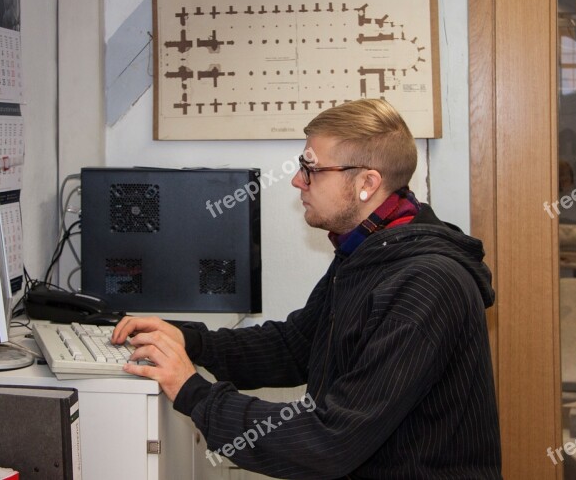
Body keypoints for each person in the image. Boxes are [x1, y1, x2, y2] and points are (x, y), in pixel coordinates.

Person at [111, 98, 502, 479]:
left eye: (310, 168)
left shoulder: (426, 285)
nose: (298, 180)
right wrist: (190, 341)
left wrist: (193, 391)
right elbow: (296, 345)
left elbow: (330, 442)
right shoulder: (367, 251)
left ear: (367, 183)